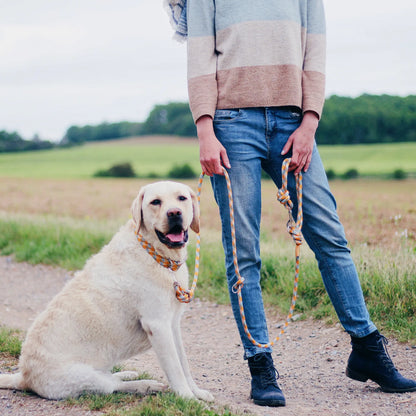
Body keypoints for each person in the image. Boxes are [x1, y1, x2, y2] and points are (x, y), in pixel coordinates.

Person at [165, 0, 416, 407]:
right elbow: (199, 56)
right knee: (243, 252)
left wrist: (310, 122)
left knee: (330, 237)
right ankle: (260, 362)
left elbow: (314, 51)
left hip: (293, 122)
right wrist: (205, 130)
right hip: (231, 125)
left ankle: (367, 348)